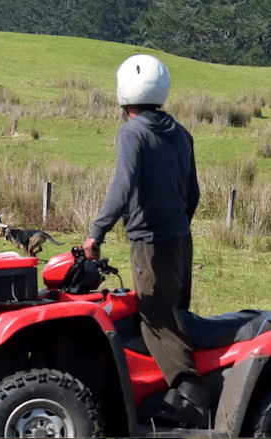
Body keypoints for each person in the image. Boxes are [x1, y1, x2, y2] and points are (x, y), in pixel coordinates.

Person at [82, 54, 209, 429]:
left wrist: (96, 232)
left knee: (156, 318)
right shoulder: (181, 133)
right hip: (180, 239)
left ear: (124, 96)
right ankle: (171, 391)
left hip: (150, 242)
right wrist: (178, 226)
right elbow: (194, 193)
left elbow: (122, 187)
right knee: (176, 314)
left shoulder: (132, 133)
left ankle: (191, 397)